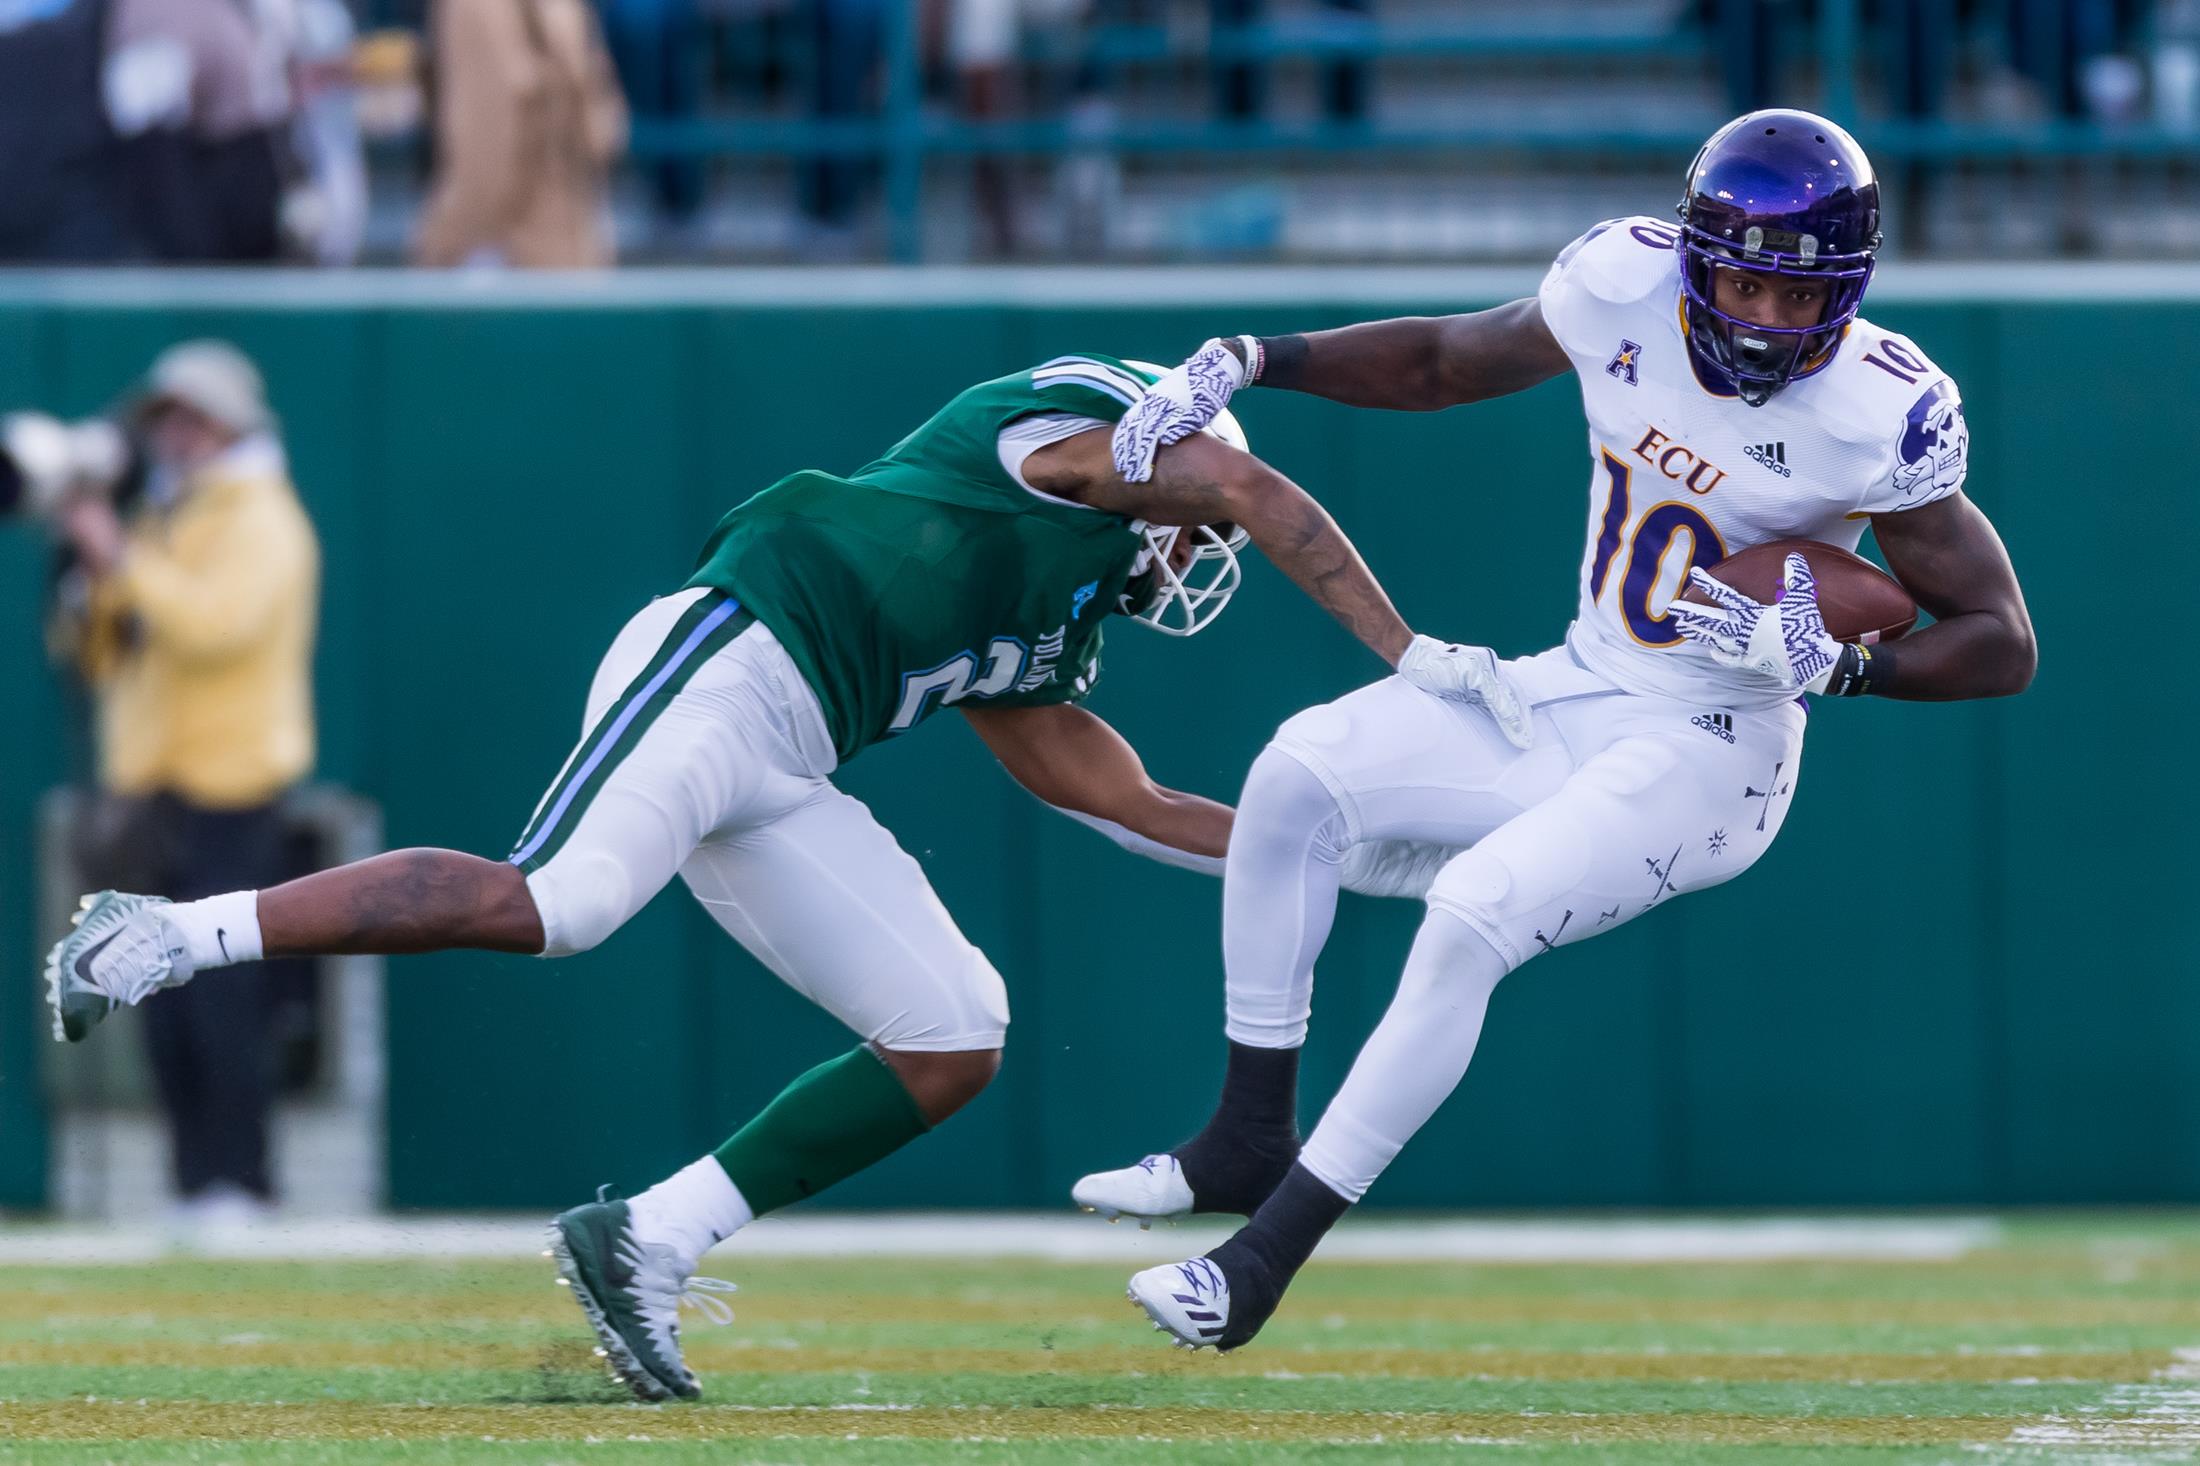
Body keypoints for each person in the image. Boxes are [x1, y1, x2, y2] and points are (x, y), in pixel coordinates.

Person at [47, 352, 1515, 1400]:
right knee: (557, 902)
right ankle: (166, 931)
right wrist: (1405, 652)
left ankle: (649, 1236)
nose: (1195, 547)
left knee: (955, 1026)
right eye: (1191, 518)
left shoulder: (1060, 612)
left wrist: (1340, 849)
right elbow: (1243, 482)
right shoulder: (1051, 444)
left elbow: (1118, 798)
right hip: (732, 651)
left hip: (791, 751)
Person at [1075, 109, 2039, 1352]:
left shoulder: (1876, 410)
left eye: (1797, 296)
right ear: (1691, 259)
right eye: (1742, 282)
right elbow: (1442, 360)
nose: (1763, 319)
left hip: (1715, 744)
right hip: (1581, 681)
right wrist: (1256, 358)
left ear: (1846, 292)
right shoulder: (1621, 282)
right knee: (1297, 773)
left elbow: (2000, 639)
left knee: (1470, 912)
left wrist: (1846, 667)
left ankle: (1257, 1265)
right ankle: (1245, 1134)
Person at [49, 341, 321, 1225]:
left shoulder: (264, 518)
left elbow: (217, 629)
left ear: (234, 425)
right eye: (166, 417)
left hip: (230, 790)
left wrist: (121, 560)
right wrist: (92, 578)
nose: (177, 434)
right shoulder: (163, 516)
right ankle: (191, 1183)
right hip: (151, 790)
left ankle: (243, 1183)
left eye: (195, 417)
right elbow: (95, 654)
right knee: (156, 997)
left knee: (223, 999)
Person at [413, 0, 627, 269]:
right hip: (570, 246)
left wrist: (444, 245)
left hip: (512, 255)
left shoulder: (474, 8)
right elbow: (602, 130)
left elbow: (487, 151)